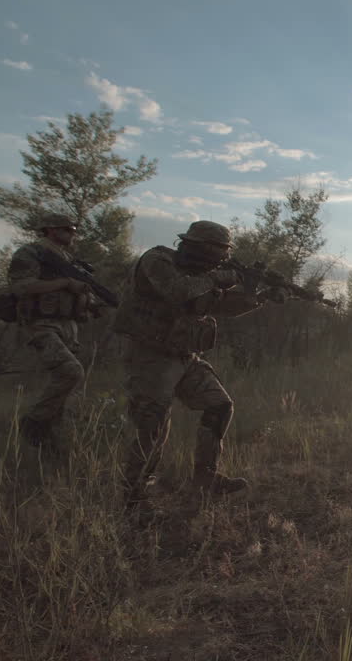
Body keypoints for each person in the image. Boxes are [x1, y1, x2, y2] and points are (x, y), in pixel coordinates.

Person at [113, 220, 280, 516]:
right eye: (218, 253)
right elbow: (181, 291)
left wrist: (259, 296)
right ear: (198, 247)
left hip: (185, 355)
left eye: (224, 254)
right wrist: (223, 277)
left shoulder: (204, 276)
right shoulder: (158, 260)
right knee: (152, 424)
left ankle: (205, 478)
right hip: (150, 356)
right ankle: (135, 499)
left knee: (219, 405)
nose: (222, 259)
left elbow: (221, 306)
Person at [6, 212, 97, 459]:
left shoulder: (68, 259)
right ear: (49, 230)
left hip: (68, 327)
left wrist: (86, 301)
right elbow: (21, 287)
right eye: (66, 229)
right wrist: (65, 284)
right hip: (41, 325)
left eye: (74, 230)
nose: (72, 234)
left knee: (69, 390)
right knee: (71, 372)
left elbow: (75, 293)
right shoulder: (31, 253)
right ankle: (33, 422)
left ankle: (53, 449)